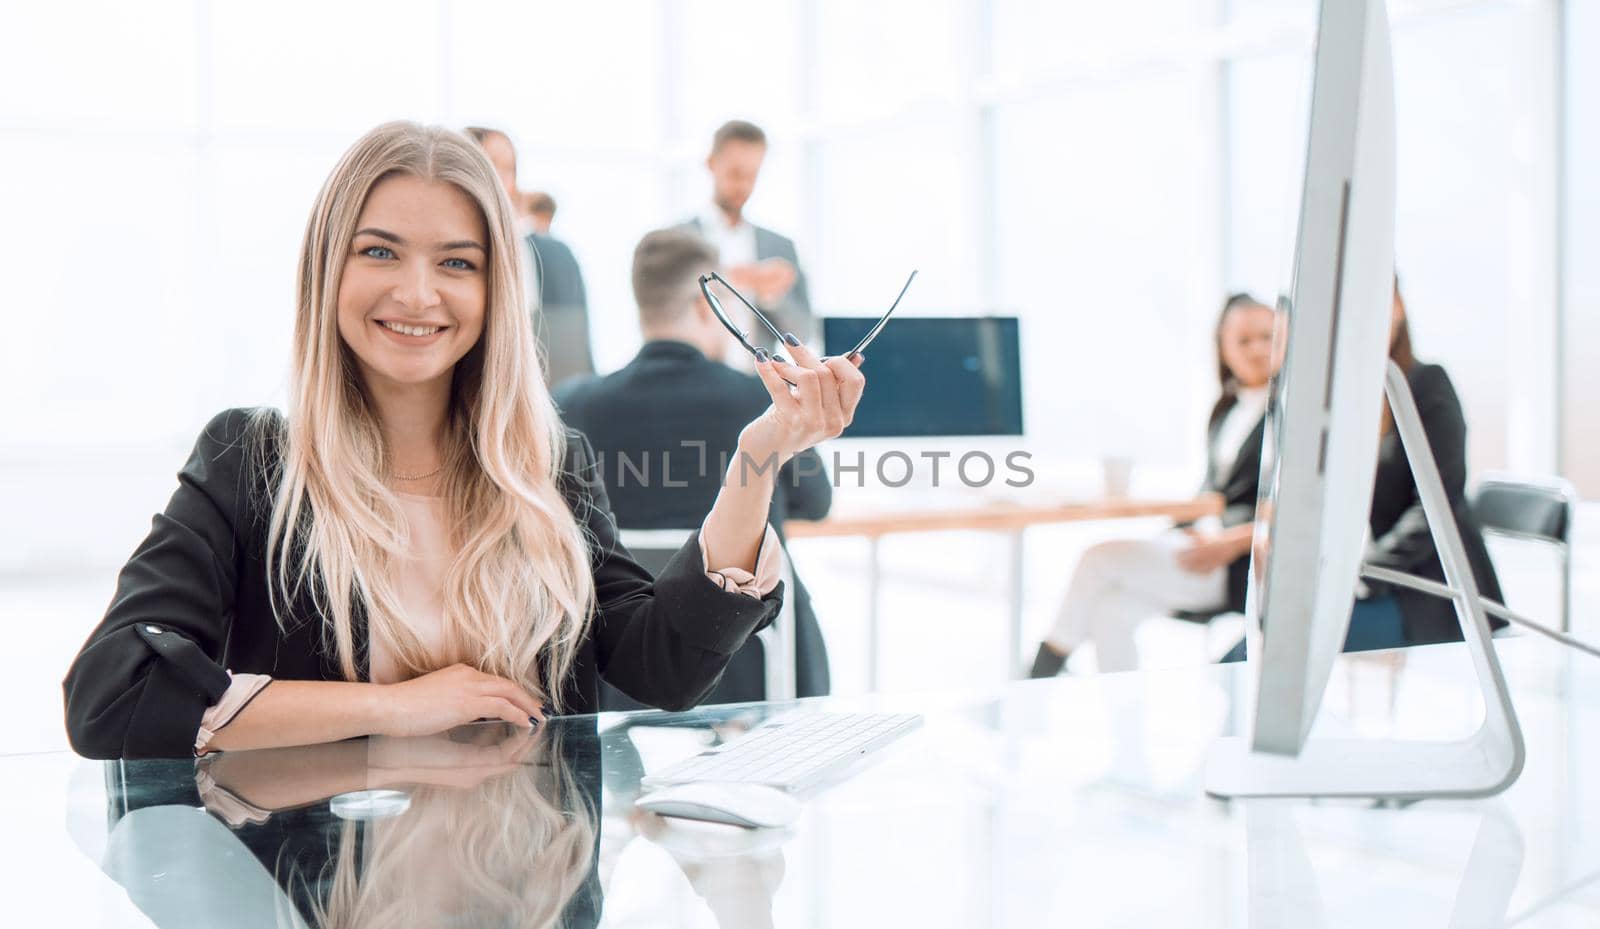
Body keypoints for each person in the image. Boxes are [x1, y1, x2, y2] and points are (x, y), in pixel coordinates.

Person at [61, 121, 868, 760]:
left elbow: (664, 664)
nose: (418, 292)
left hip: (526, 887)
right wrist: (398, 708)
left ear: (496, 290)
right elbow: (112, 693)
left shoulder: (549, 466)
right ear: (327, 270)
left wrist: (758, 456)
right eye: (379, 251)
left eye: (458, 261)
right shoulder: (254, 461)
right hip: (326, 888)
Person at [554, 229, 834, 702]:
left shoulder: (572, 408)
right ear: (709, 308)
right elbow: (817, 502)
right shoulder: (761, 402)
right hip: (754, 663)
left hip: (620, 672)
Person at [1219, 279, 1505, 661]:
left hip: (1424, 593)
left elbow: (1436, 510)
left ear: (1398, 308)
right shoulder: (1346, 398)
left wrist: (1362, 574)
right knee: (1257, 643)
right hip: (1357, 583)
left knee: (1260, 657)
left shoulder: (1425, 385)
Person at [1029, 294, 1279, 676]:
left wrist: (1230, 542)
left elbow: (1301, 504)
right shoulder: (1226, 409)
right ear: (1223, 348)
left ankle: (1037, 677)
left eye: (1267, 336)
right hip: (1199, 543)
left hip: (1238, 561)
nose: (1258, 349)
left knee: (1097, 559)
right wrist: (1183, 528)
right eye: (1243, 340)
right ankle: (1124, 734)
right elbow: (1212, 492)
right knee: (1111, 613)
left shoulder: (1290, 411)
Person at [464, 126, 595, 387]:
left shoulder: (555, 256)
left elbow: (576, 355)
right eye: (487, 164)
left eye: (508, 168)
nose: (499, 179)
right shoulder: (444, 259)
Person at [685, 119, 812, 350]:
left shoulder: (780, 246)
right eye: (735, 173)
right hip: (693, 381)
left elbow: (805, 331)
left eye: (752, 175)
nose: (743, 185)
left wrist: (771, 295)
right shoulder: (677, 242)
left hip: (758, 384)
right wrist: (728, 281)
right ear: (711, 163)